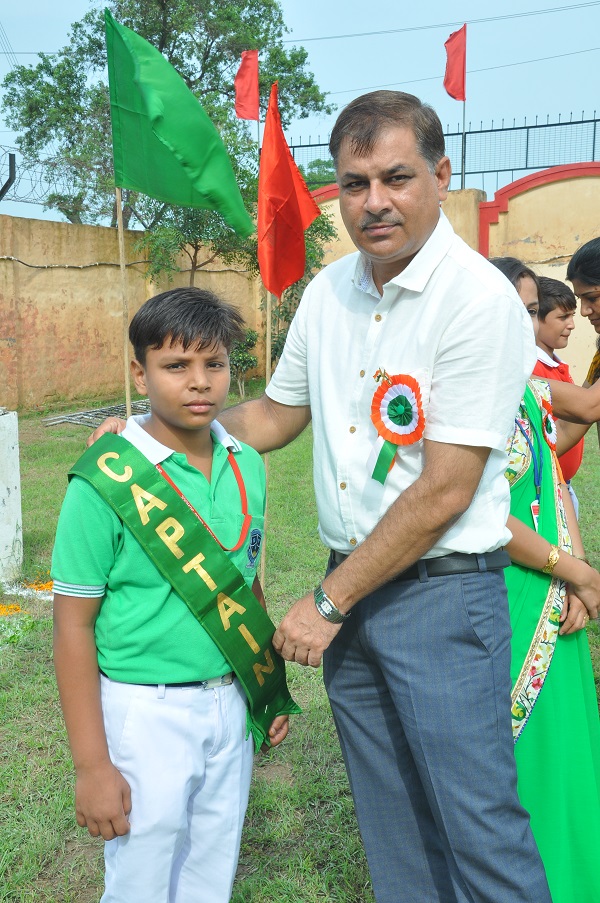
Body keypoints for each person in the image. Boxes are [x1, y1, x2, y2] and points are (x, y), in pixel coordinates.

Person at [89, 92, 600, 903]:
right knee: (395, 826)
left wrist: (328, 601)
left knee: (479, 830)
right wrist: (152, 436)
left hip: (439, 599)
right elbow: (273, 415)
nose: (374, 201)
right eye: (355, 183)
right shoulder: (330, 292)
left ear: (441, 175)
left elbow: (447, 488)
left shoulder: (477, 300)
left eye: (396, 177)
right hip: (355, 596)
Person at [52, 288, 295, 903]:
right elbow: (73, 626)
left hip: (230, 702)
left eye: (215, 364)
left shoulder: (246, 463)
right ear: (140, 374)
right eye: (176, 365)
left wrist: (266, 686)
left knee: (211, 875)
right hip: (145, 711)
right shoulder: (104, 480)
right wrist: (92, 766)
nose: (200, 382)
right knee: (141, 877)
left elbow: (244, 583)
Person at [490, 256, 600, 903]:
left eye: (531, 311)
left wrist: (579, 578)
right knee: (523, 760)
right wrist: (573, 570)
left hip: (555, 595)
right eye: (512, 309)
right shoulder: (456, 395)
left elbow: (554, 485)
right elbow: (481, 512)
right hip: (505, 594)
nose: (524, 323)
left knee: (568, 755)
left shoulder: (530, 390)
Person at [534, 275, 583, 514]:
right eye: (563, 317)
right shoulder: (534, 370)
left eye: (572, 316)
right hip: (545, 489)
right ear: (535, 319)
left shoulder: (555, 364)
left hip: (563, 484)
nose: (571, 324)